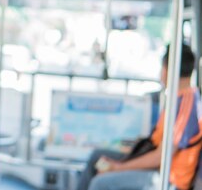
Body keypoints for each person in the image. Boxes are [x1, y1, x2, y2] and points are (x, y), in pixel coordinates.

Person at [76, 44, 202, 190]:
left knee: (100, 182)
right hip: (158, 165)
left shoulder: (186, 104)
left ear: (168, 70)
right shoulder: (177, 98)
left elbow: (160, 157)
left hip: (169, 178)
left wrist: (119, 167)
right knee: (97, 157)